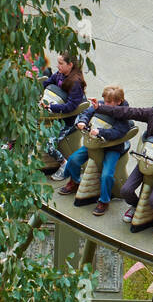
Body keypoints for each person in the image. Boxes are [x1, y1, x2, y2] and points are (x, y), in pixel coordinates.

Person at [94, 84, 153, 236]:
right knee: (126, 190)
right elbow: (128, 111)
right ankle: (136, 205)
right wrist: (99, 108)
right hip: (147, 159)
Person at [55, 85, 133, 215]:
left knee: (107, 174)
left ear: (118, 102)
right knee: (73, 160)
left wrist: (101, 132)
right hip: (94, 142)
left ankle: (104, 200)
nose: (105, 104)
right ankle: (75, 181)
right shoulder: (101, 105)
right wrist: (83, 121)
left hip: (111, 147)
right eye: (105, 101)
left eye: (109, 102)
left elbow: (118, 132)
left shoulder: (123, 115)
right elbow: (87, 112)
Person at [41, 53, 87, 169]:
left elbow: (71, 106)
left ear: (70, 65)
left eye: (61, 63)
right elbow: (47, 82)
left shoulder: (75, 83)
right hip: (57, 114)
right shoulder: (60, 74)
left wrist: (51, 107)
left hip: (68, 120)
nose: (58, 66)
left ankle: (64, 164)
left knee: (48, 145)